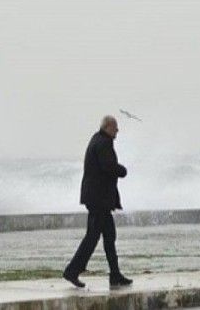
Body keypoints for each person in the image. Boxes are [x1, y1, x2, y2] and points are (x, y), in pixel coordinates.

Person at [63, 115, 133, 288]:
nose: (117, 130)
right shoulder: (103, 143)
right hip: (98, 200)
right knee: (93, 237)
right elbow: (108, 166)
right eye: (115, 127)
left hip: (97, 199)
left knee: (109, 236)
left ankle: (115, 274)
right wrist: (122, 170)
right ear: (108, 127)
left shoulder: (98, 139)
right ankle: (72, 271)